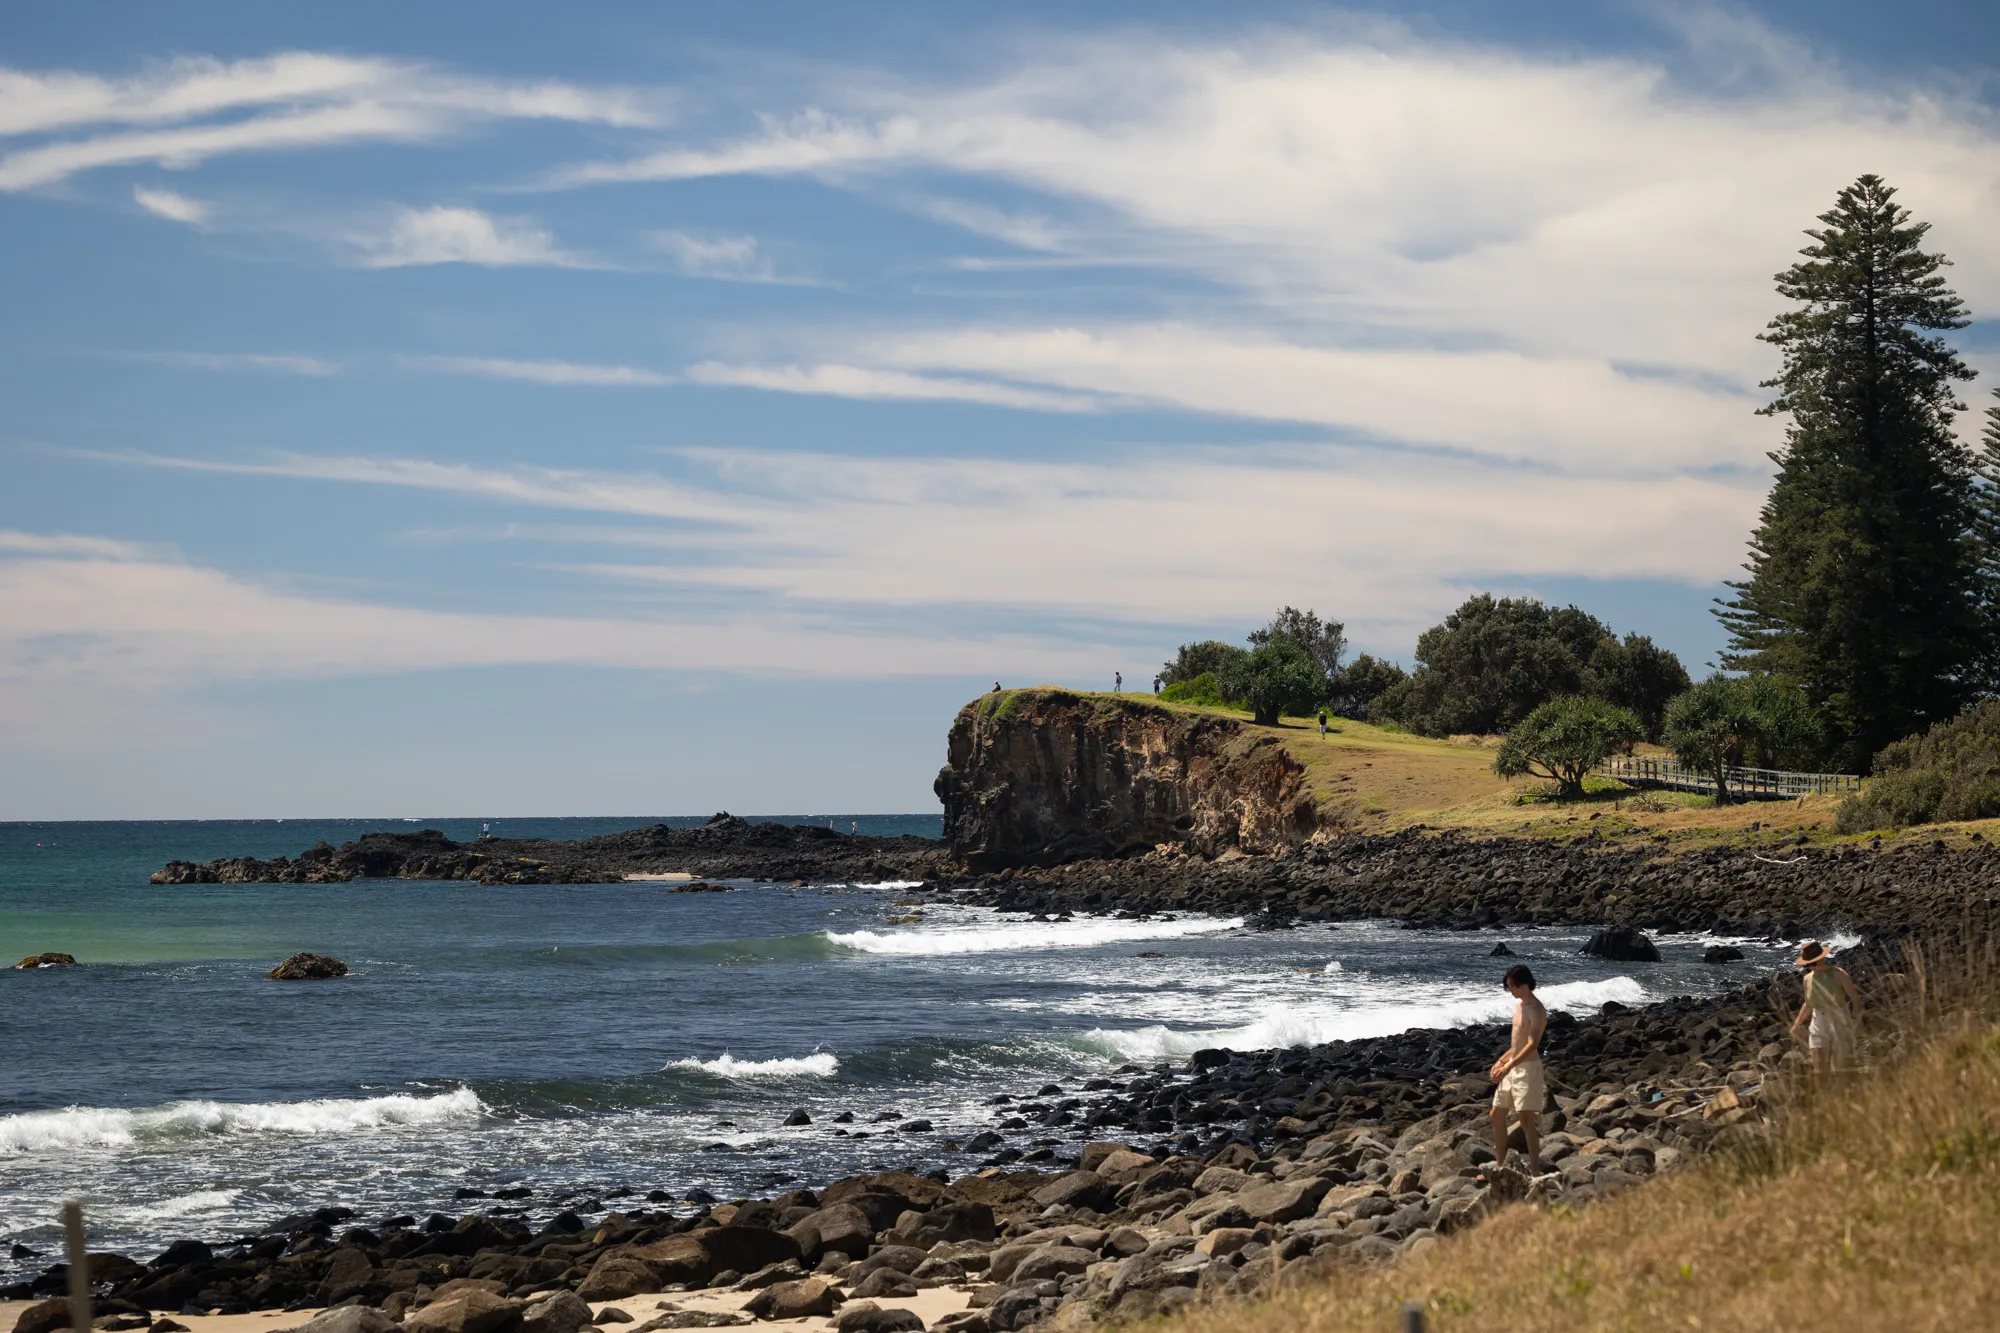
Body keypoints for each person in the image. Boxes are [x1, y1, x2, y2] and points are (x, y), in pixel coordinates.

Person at [1489, 963, 1547, 1173]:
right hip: (1513, 1066)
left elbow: (1532, 1043)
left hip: (1528, 1069)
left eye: (1511, 986)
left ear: (1523, 983)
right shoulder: (1519, 1006)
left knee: (1525, 1121)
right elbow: (1516, 1045)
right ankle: (1500, 1166)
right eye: (1508, 986)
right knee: (1496, 1115)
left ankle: (1535, 1171)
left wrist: (1509, 1065)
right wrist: (1501, 1062)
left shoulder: (1537, 1009)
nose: (1510, 990)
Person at [1790, 940, 1861, 1081]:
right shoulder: (1807, 979)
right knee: (1820, 1069)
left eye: (1814, 963)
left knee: (1843, 1069)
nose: (1811, 967)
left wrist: (1857, 1020)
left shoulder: (1838, 974)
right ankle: (1827, 1099)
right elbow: (1808, 1004)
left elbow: (1855, 997)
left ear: (1822, 958)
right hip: (1818, 1023)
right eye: (1808, 964)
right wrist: (1796, 1025)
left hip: (1839, 1021)